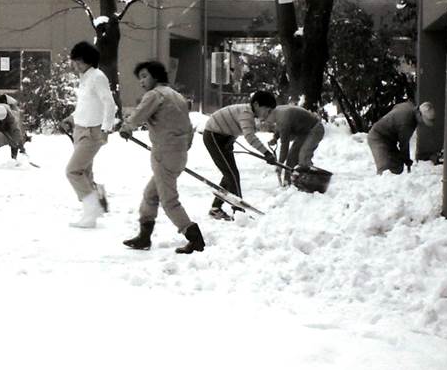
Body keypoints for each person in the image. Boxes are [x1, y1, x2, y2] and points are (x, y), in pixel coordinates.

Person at [119, 61, 204, 254]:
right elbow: (188, 126)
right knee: (151, 194)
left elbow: (139, 115)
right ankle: (144, 237)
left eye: (144, 76)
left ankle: (194, 236)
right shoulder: (177, 96)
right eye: (139, 77)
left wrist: (126, 127)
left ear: (156, 76)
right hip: (179, 154)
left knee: (169, 201)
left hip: (164, 154)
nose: (141, 81)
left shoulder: (155, 95)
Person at [62, 41, 116, 229]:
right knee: (84, 172)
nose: (74, 65)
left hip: (92, 132)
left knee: (73, 171)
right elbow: (86, 106)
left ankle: (92, 210)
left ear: (87, 61)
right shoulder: (85, 78)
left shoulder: (97, 77)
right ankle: (94, 205)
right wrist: (71, 118)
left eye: (77, 61)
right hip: (80, 129)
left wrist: (106, 129)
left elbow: (110, 104)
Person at [202, 90, 278, 220]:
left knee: (229, 174)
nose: (267, 114)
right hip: (214, 135)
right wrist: (266, 153)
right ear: (257, 104)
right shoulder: (246, 113)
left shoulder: (249, 114)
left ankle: (216, 208)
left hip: (226, 138)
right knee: (231, 174)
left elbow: (252, 130)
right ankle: (239, 211)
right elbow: (250, 136)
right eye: (267, 110)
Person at [367, 101, 436, 174]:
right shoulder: (407, 123)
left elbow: (396, 107)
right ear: (419, 114)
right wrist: (407, 161)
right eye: (423, 120)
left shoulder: (409, 105)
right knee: (385, 169)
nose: (422, 123)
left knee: (397, 168)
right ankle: (379, 182)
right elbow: (404, 145)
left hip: (390, 140)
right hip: (377, 137)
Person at [265, 104, 325, 185]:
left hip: (315, 129)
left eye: (266, 118)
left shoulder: (282, 117)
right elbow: (281, 127)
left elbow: (284, 146)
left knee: (303, 156)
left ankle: (314, 184)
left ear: (270, 112)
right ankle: (287, 183)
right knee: (291, 157)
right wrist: (275, 137)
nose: (267, 121)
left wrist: (280, 164)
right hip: (303, 132)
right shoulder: (278, 112)